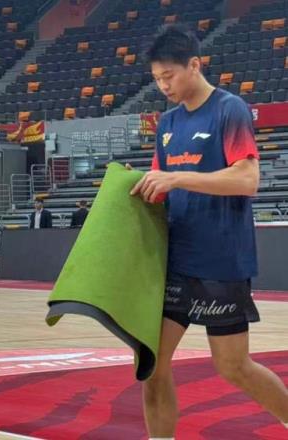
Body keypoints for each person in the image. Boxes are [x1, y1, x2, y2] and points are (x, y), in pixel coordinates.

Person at [131, 25, 288, 438]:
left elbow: (247, 179)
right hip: (175, 263)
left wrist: (176, 177)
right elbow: (159, 185)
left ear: (195, 65)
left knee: (233, 367)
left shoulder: (229, 110)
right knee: (152, 364)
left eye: (169, 76)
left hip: (221, 261)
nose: (163, 86)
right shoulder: (166, 123)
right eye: (157, 79)